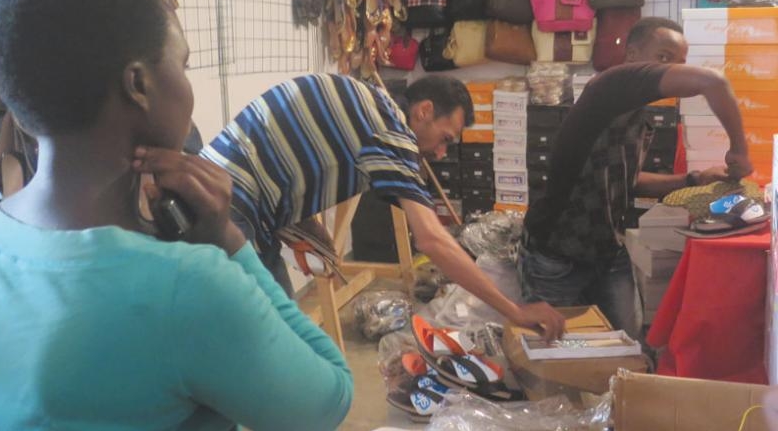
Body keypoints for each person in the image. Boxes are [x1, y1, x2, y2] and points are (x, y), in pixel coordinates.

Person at [0, 0, 353, 431]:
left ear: (26, 111)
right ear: (138, 84)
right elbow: (322, 408)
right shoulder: (186, 285)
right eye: (183, 66)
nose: (187, 86)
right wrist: (230, 244)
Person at [203, 73, 567, 341]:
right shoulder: (389, 131)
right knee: (261, 336)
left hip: (229, 192)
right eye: (444, 140)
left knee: (278, 328)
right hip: (230, 201)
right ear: (424, 110)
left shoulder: (370, 102)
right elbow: (432, 240)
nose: (440, 154)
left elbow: (289, 151)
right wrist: (514, 309)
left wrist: (297, 219)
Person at [518, 16, 752, 339]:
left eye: (681, 62)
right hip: (556, 257)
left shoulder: (636, 115)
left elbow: (629, 180)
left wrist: (695, 178)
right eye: (664, 57)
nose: (674, 69)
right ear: (631, 56)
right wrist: (740, 150)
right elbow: (714, 83)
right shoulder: (609, 86)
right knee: (550, 354)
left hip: (607, 249)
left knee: (626, 346)